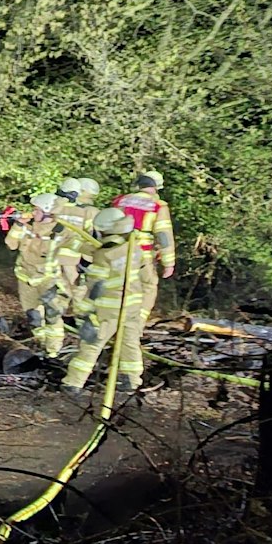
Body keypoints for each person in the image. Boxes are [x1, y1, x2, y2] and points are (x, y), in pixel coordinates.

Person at [60, 206, 149, 395]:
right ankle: (131, 380)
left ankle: (73, 383)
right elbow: (145, 276)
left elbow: (95, 287)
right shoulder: (133, 248)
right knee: (129, 342)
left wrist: (82, 311)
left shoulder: (104, 255)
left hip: (109, 309)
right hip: (133, 305)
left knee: (91, 344)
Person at [4, 192, 67, 357]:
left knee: (53, 316)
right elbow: (11, 244)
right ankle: (41, 344)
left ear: (47, 212)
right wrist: (18, 225)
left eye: (37, 210)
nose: (33, 212)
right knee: (34, 316)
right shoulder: (29, 227)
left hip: (48, 280)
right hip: (25, 278)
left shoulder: (60, 231)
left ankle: (53, 351)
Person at [110, 169, 175, 319]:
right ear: (157, 187)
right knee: (147, 288)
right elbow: (163, 236)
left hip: (116, 252)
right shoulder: (158, 205)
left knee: (118, 289)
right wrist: (168, 263)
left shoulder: (121, 200)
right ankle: (135, 327)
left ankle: (113, 325)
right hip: (142, 255)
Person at [50, 176, 100, 318]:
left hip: (53, 252)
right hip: (75, 254)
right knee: (76, 284)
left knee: (60, 284)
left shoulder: (56, 207)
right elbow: (92, 234)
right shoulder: (87, 211)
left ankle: (58, 313)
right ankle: (80, 315)